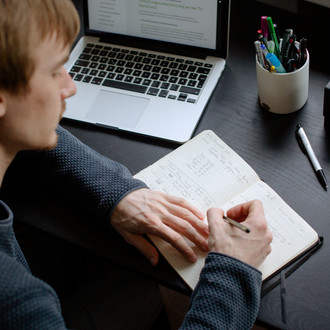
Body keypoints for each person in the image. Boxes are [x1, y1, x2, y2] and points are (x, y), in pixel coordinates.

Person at [0, 0, 273, 329]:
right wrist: (233, 269)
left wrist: (115, 191)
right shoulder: (22, 304)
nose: (70, 87)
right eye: (55, 70)